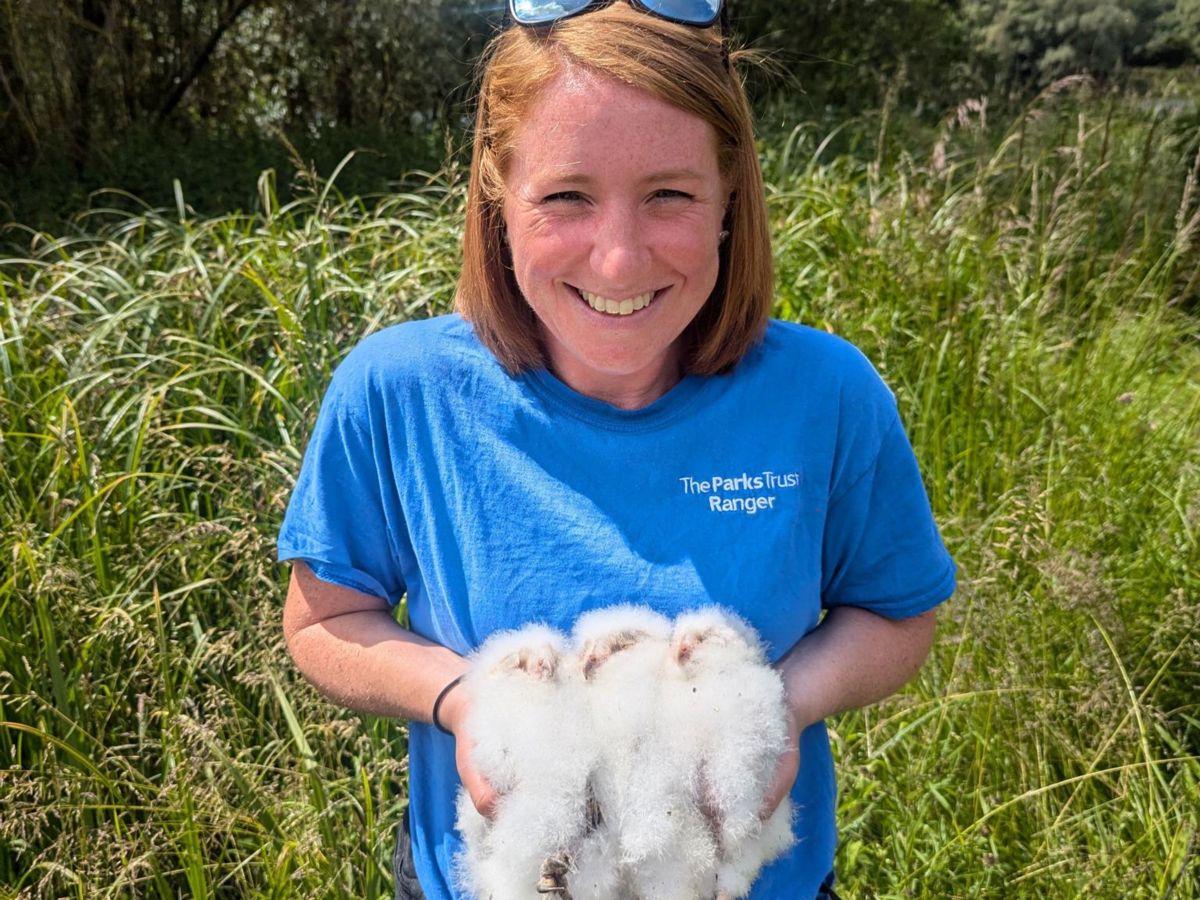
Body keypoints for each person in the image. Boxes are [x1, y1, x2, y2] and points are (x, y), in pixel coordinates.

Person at [277, 1, 956, 898]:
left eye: (669, 195)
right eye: (566, 197)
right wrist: (460, 700)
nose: (618, 260)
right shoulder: (396, 393)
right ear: (496, 194)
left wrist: (774, 713)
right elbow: (324, 621)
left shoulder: (827, 395)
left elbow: (898, 613)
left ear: (729, 199)